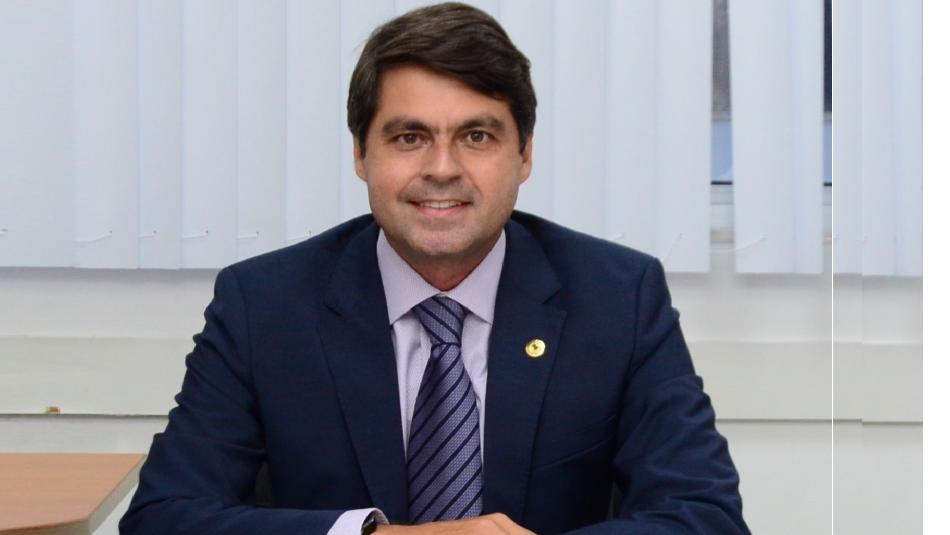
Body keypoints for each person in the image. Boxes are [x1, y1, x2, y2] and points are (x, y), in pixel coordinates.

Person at [120, 3, 749, 534]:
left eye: (477, 137)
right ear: (361, 154)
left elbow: (705, 515)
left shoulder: (617, 299)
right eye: (409, 137)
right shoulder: (263, 305)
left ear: (524, 155)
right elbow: (164, 517)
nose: (442, 169)